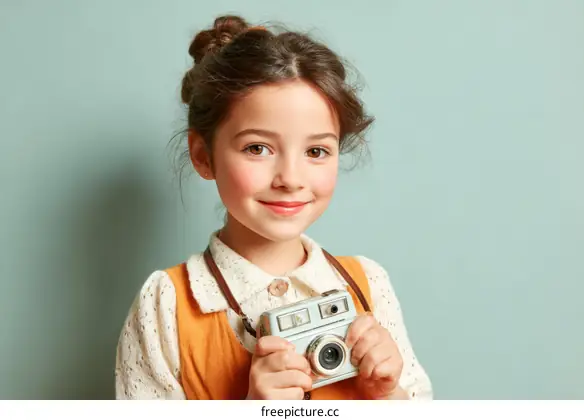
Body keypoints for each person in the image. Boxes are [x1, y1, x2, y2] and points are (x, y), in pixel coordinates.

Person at [114, 14, 433, 401]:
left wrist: (387, 396)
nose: (290, 178)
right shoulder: (167, 303)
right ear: (203, 155)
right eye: (258, 148)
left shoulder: (367, 284)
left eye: (316, 151)